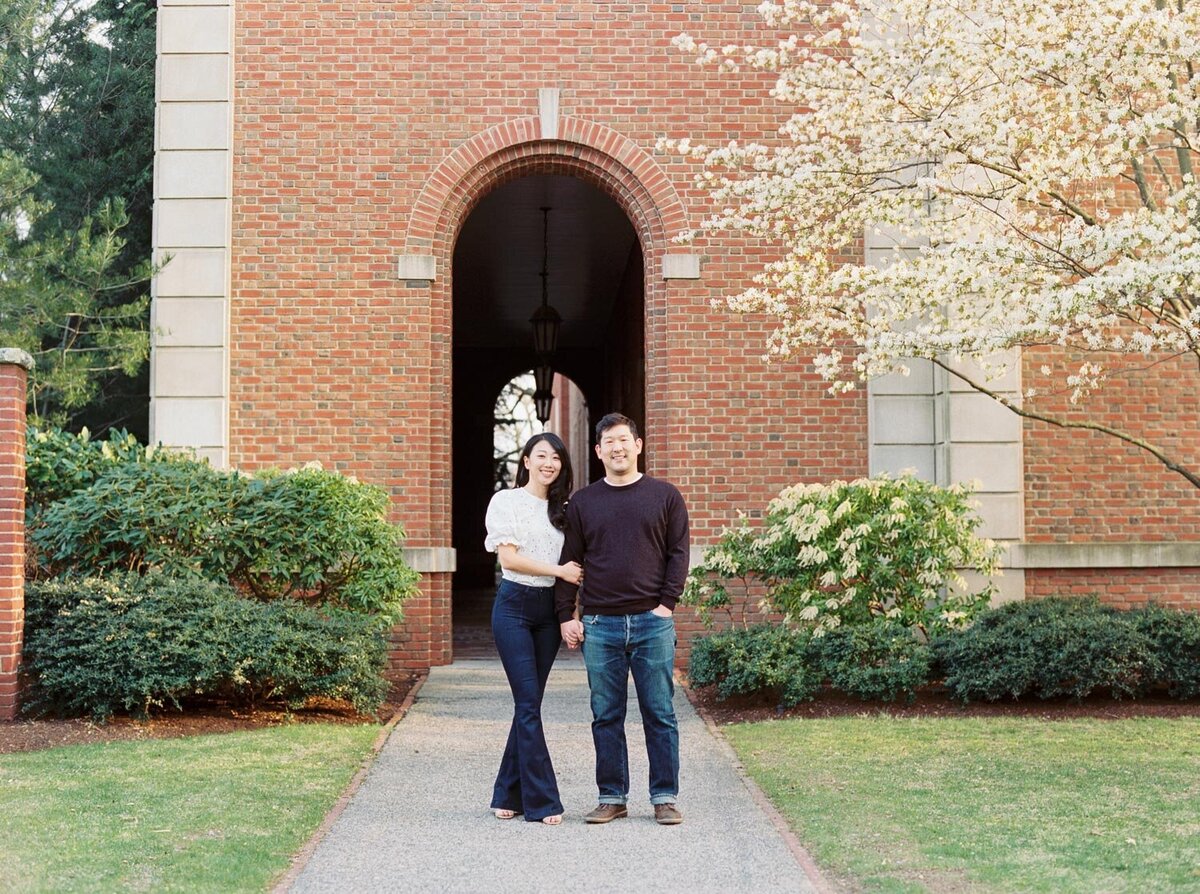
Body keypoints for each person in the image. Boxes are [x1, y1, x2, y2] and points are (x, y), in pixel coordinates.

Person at [555, 413, 690, 825]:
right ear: (598, 452)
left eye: (622, 440)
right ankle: (612, 796)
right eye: (608, 442)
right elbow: (571, 561)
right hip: (600, 625)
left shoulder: (665, 496)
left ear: (638, 445)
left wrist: (666, 605)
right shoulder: (583, 502)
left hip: (652, 622)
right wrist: (567, 614)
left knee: (660, 712)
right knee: (606, 714)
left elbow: (678, 554)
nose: (616, 448)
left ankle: (664, 797)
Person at [484, 432, 583, 825]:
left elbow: (578, 561)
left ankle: (506, 792)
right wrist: (558, 570)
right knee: (527, 704)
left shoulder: (566, 509)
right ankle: (542, 801)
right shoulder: (505, 502)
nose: (549, 462)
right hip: (513, 608)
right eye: (541, 455)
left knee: (529, 705)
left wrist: (568, 614)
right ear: (525, 460)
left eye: (556, 457)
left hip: (547, 613)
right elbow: (509, 559)